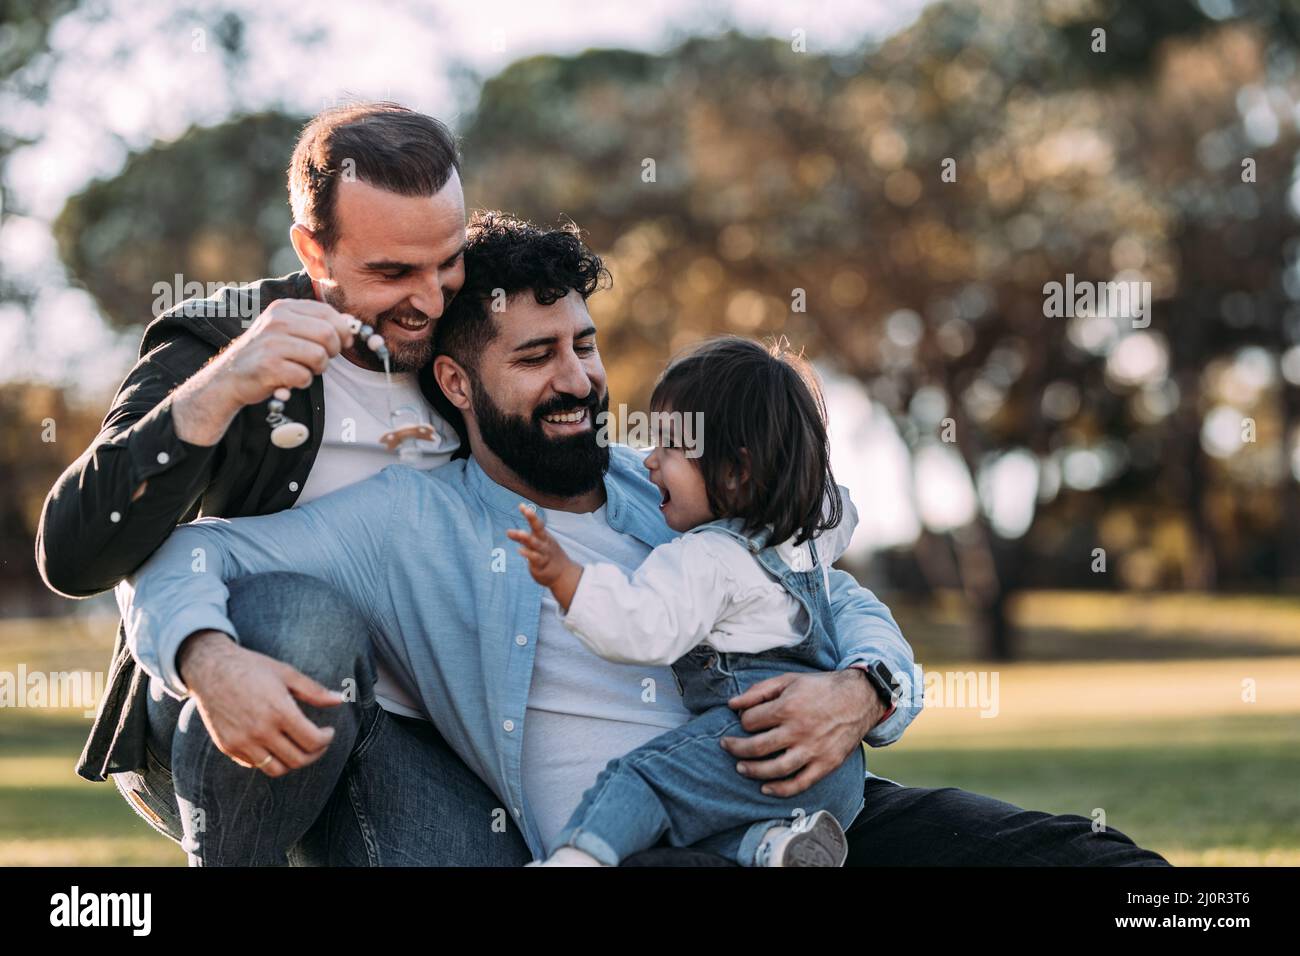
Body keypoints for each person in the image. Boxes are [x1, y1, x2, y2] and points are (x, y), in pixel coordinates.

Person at [116, 210, 1171, 866]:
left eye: (584, 343)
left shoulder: (662, 486)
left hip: (803, 801)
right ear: (456, 380)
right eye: (535, 355)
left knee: (1101, 866)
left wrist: (867, 690)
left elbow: (825, 574)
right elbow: (181, 550)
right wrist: (206, 658)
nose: (577, 377)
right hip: (634, 840)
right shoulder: (407, 518)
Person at [34, 102, 530, 864]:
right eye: (392, 271)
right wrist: (216, 391)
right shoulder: (219, 339)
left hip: (412, 730)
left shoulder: (476, 335)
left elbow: (595, 496)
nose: (430, 298)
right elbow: (73, 557)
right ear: (314, 250)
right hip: (215, 701)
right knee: (306, 618)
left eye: (448, 260)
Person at [509, 337, 869, 866]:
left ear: (734, 471)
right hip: (838, 773)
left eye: (671, 448)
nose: (650, 461)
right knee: (692, 811)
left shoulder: (707, 558)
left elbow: (641, 628)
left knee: (643, 782)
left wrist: (566, 578)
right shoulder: (809, 533)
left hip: (766, 748)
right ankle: (775, 847)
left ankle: (576, 859)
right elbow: (842, 506)